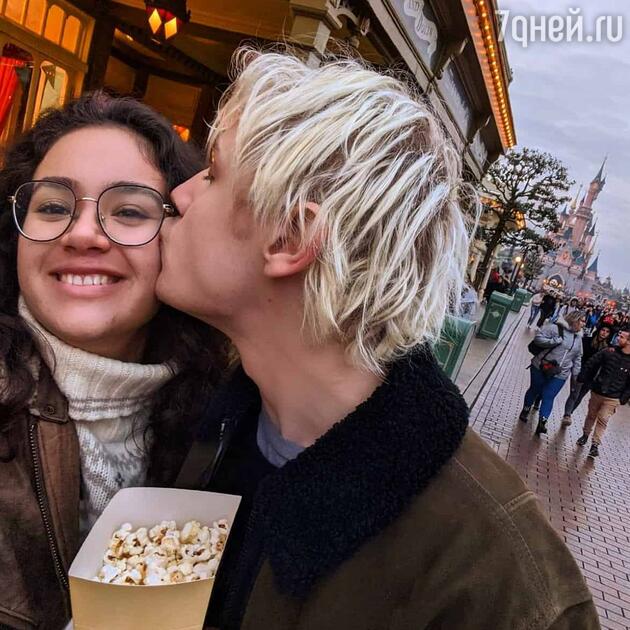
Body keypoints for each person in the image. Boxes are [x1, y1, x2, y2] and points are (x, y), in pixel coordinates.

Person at [158, 49, 597, 629]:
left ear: (291, 239)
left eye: (213, 174)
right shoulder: (208, 420)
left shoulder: (501, 589)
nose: (181, 194)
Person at [0, 93, 228, 629]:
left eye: (128, 211)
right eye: (53, 205)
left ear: (177, 239)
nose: (82, 234)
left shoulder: (222, 424)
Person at [519, 310, 585, 435]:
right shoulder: (555, 328)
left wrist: (576, 374)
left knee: (549, 396)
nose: (584, 324)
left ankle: (542, 422)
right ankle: (526, 408)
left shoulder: (578, 338)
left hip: (560, 373)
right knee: (535, 389)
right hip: (541, 366)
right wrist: (554, 341)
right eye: (582, 320)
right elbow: (538, 338)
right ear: (574, 320)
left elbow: (578, 357)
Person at [576, 328, 630, 458]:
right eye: (619, 336)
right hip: (598, 391)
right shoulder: (609, 351)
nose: (618, 338)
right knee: (591, 415)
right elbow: (592, 362)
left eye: (622, 337)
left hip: (613, 397)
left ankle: (595, 445)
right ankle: (585, 434)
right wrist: (584, 376)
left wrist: (624, 397)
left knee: (603, 419)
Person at [561, 324, 612, 426]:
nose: (604, 333)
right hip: (580, 372)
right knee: (574, 394)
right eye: (603, 330)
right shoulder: (587, 341)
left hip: (592, 378)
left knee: (580, 397)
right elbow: (578, 356)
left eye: (607, 332)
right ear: (599, 330)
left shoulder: (608, 349)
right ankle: (567, 415)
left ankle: (569, 413)